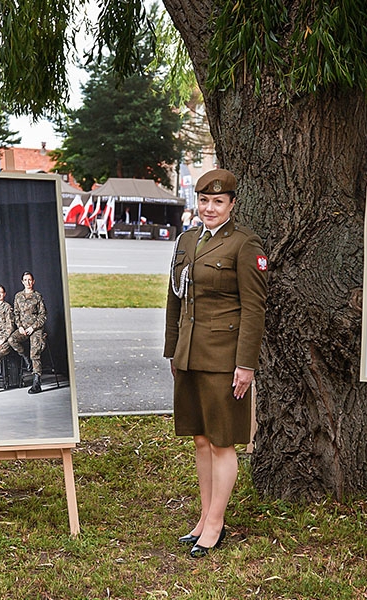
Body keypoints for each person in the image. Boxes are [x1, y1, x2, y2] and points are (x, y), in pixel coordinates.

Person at [164, 168, 268, 559]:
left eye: (218, 201)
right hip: (189, 354)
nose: (209, 207)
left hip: (225, 358)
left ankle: (216, 523)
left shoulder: (244, 245)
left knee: (223, 442)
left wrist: (246, 365)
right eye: (204, 200)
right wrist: (173, 349)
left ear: (232, 204)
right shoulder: (186, 240)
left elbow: (254, 309)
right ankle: (205, 515)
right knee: (201, 439)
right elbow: (175, 298)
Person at [9, 270, 47, 394]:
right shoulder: (18, 296)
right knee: (12, 340)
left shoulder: (38, 296)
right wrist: (19, 326)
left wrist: (34, 327)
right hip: (23, 328)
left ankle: (37, 381)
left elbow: (43, 316)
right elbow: (16, 313)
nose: (28, 282)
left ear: (33, 281)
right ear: (22, 282)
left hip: (35, 329)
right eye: (25, 280)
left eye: (30, 280)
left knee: (34, 352)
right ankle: (26, 358)